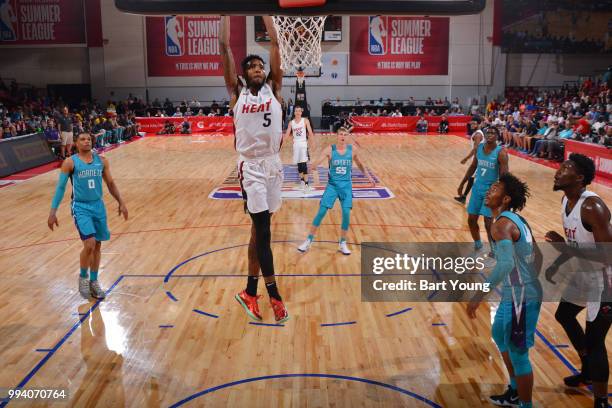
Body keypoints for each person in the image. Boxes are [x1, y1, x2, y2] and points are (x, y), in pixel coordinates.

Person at [220, 16, 289, 323]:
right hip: (251, 168)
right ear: (245, 75)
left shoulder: (274, 88)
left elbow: (276, 42)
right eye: (253, 67)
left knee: (259, 230)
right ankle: (274, 294)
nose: (259, 70)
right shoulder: (238, 94)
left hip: (274, 164)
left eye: (261, 66)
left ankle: (249, 291)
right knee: (263, 231)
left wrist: (266, 12)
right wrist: (224, 13)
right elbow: (224, 47)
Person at [467, 173, 542, 408]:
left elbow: (506, 264)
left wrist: (479, 295)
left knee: (519, 354)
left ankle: (525, 403)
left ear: (506, 198)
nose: (489, 191)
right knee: (499, 334)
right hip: (518, 292)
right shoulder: (516, 220)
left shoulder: (501, 225)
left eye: (495, 188)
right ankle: (514, 390)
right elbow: (537, 255)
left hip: (521, 295)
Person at [545, 154, 611, 408]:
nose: (558, 171)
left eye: (565, 168)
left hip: (606, 280)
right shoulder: (566, 201)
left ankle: (601, 401)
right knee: (564, 314)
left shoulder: (592, 207)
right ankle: (587, 370)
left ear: (580, 178)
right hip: (585, 273)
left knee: (595, 342)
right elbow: (576, 244)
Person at [47, 133, 128, 300]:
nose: (86, 142)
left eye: (89, 139)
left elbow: (111, 183)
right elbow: (61, 188)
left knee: (97, 245)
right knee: (89, 243)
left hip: (98, 206)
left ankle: (94, 281)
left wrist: (121, 201)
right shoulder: (70, 162)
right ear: (76, 143)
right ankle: (83, 278)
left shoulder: (102, 161)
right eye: (82, 139)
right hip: (80, 207)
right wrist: (53, 212)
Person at [297, 127, 375, 255]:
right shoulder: (330, 149)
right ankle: (308, 240)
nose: (343, 137)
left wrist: (369, 177)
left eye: (345, 134)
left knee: (346, 213)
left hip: (346, 186)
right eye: (341, 134)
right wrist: (311, 168)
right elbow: (317, 162)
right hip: (332, 186)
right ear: (337, 136)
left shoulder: (352, 150)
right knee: (321, 211)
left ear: (347, 136)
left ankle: (342, 243)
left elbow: (360, 165)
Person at [457, 126, 509, 256]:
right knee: (471, 219)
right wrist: (462, 183)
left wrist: (502, 194)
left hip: (491, 191)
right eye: (488, 132)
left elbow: (504, 177)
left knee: (488, 222)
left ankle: (494, 248)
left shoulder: (501, 153)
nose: (490, 134)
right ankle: (478, 244)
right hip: (477, 188)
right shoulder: (479, 148)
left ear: (498, 136)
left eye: (493, 132)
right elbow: (473, 166)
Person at [284, 106, 314, 192]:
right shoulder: (291, 123)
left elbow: (310, 132)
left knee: (304, 164)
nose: (297, 112)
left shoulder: (305, 121)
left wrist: (313, 143)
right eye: (296, 111)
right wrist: (281, 142)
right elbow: (287, 134)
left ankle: (307, 183)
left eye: (299, 111)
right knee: (299, 164)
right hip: (296, 144)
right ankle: (301, 181)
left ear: (301, 112)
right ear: (294, 112)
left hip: (303, 144)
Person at [455, 120, 484, 204]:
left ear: (479, 124)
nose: (472, 125)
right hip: (477, 157)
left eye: (474, 123)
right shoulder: (476, 133)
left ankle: (466, 196)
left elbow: (475, 148)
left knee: (472, 177)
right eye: (471, 123)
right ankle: (463, 196)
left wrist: (466, 158)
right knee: (471, 177)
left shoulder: (478, 134)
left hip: (479, 158)